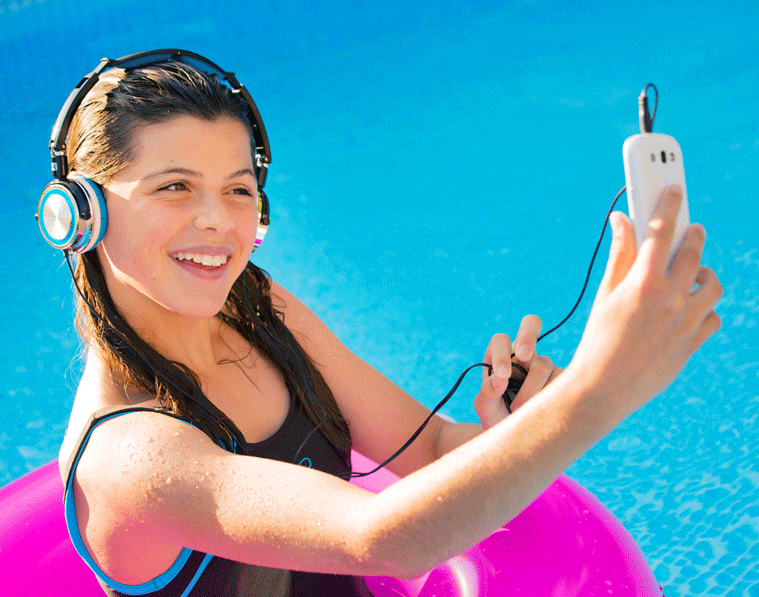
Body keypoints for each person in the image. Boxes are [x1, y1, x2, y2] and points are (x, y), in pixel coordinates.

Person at [48, 51, 722, 597]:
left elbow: (429, 452)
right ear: (79, 214)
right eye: (174, 186)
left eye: (237, 189)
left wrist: (512, 422)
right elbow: (380, 537)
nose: (218, 222)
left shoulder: (254, 305)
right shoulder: (127, 452)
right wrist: (597, 391)